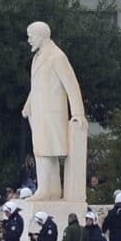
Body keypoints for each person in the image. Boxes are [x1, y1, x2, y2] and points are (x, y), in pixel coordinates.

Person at [21, 21, 87, 201]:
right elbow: (37, 86)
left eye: (31, 36)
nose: (29, 40)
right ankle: (50, 190)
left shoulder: (56, 56)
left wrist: (78, 113)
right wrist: (28, 104)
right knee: (41, 151)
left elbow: (71, 84)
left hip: (52, 113)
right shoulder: (37, 57)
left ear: (41, 36)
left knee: (46, 151)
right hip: (39, 112)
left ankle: (46, 189)